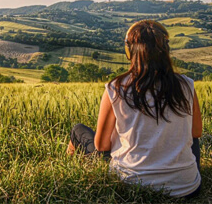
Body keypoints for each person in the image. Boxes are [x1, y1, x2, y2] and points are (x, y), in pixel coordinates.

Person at [67, 20, 202, 199]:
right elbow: (196, 131)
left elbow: (101, 145)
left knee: (78, 131)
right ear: (166, 50)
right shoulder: (186, 85)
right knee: (193, 139)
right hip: (187, 189)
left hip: (131, 185)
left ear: (129, 51)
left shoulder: (115, 88)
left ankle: (71, 175)